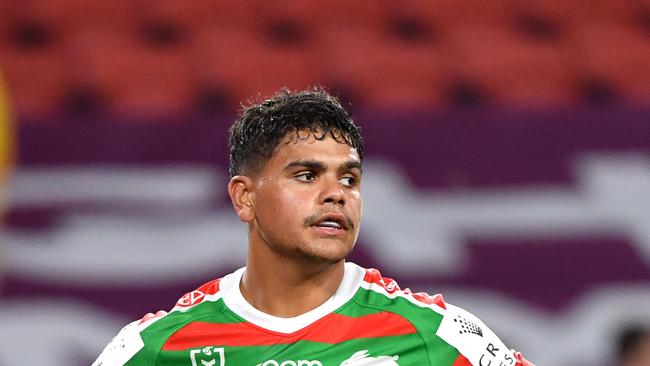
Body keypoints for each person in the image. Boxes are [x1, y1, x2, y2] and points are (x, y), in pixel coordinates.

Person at [93, 88, 533, 366]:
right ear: (244, 197)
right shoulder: (156, 348)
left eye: (350, 179)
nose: (336, 194)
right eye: (306, 176)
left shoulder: (432, 335)